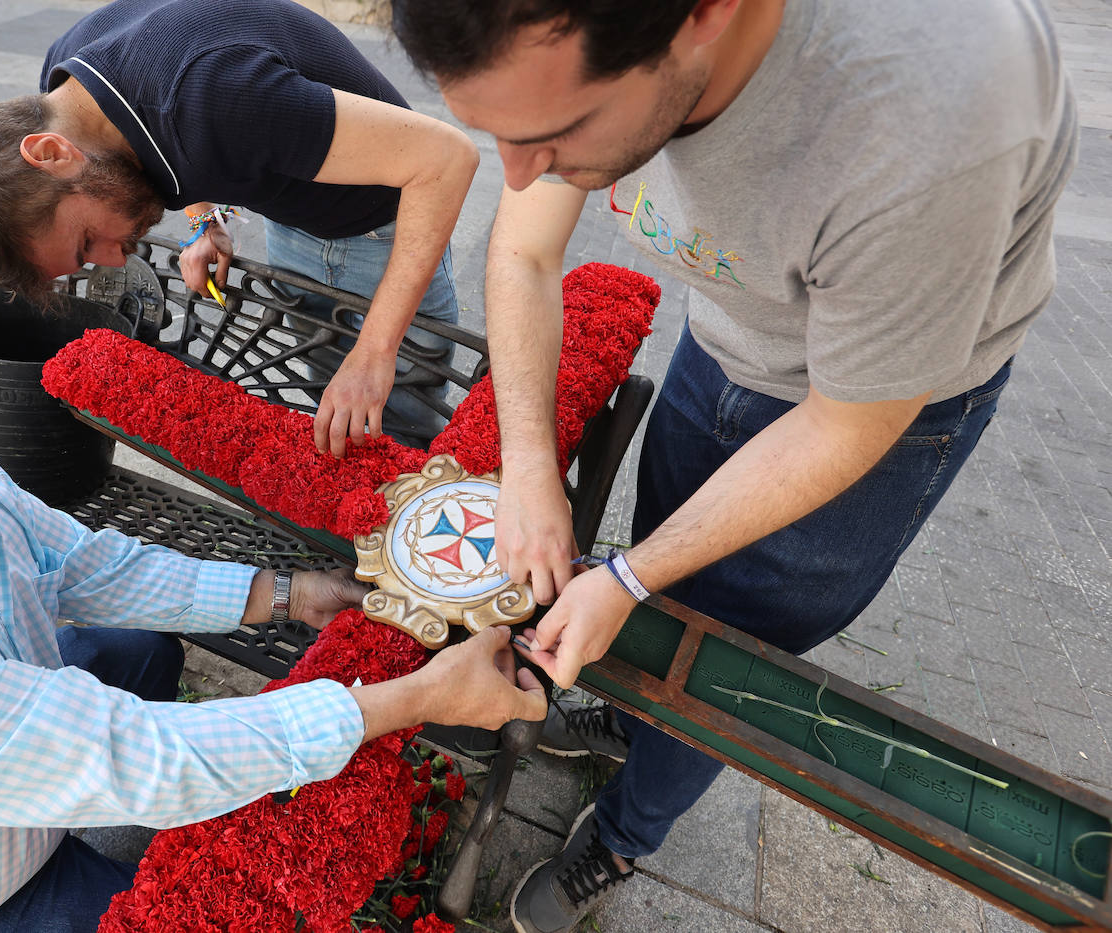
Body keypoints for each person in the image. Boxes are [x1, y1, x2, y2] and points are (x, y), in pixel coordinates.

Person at [389, 0, 1078, 930]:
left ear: (705, 16)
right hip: (723, 341)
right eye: (497, 135)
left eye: (555, 133)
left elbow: (844, 428)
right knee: (662, 604)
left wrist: (629, 574)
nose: (517, 173)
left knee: (726, 654)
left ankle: (628, 835)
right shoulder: (572, 51)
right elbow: (521, 248)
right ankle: (630, 722)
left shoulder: (930, 121)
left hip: (882, 413)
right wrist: (526, 467)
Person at [0, 216, 546, 933]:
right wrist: (421, 698)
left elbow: (79, 561)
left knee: (141, 652)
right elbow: (141, 757)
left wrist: (291, 593)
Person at [0, 0, 479, 456]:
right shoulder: (70, 85)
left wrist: (375, 352)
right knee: (336, 402)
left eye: (86, 243)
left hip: (382, 226)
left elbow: (447, 160)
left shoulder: (217, 94)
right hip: (298, 208)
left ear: (53, 154)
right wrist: (205, 217)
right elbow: (155, 134)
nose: (110, 259)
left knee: (388, 425)